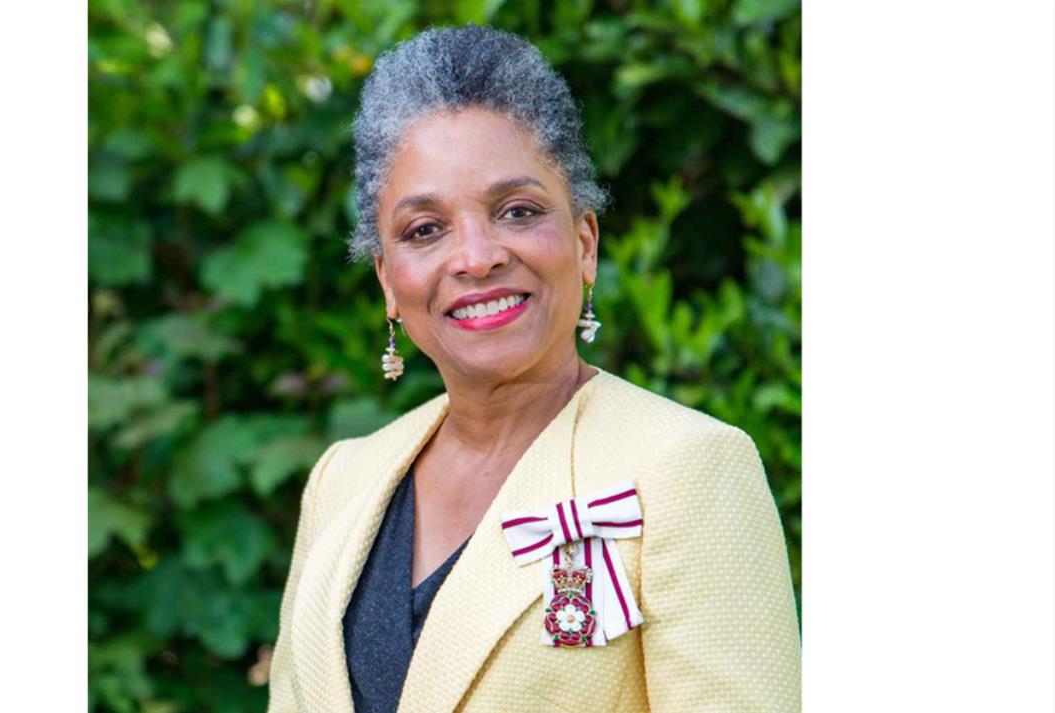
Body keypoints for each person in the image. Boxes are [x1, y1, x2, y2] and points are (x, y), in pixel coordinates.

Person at [267, 25, 800, 713]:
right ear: (388, 281)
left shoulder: (691, 468)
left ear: (584, 243)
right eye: (425, 229)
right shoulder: (342, 480)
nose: (476, 256)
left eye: (516, 211)